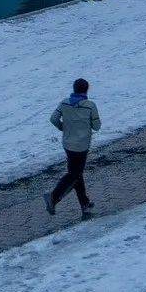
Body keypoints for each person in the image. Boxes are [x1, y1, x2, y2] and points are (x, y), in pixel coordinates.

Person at [43, 78, 101, 217]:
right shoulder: (90, 106)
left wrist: (63, 127)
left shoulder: (64, 103)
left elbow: (53, 119)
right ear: (86, 90)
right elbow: (97, 127)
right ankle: (53, 197)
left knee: (76, 174)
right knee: (74, 175)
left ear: (74, 89)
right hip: (82, 146)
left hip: (68, 144)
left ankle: (85, 203)